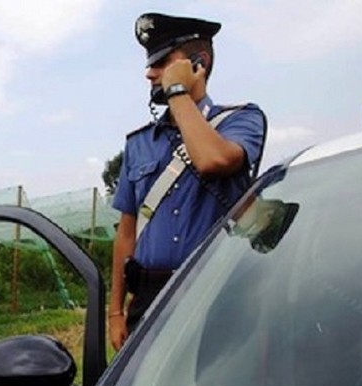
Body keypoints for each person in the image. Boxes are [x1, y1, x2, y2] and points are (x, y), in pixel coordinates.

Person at [108, 12, 267, 350]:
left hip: (216, 290)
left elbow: (213, 160)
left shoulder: (240, 120)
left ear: (200, 62)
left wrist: (178, 92)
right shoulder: (139, 143)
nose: (150, 73)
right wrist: (115, 312)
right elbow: (126, 233)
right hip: (149, 296)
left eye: (163, 62)